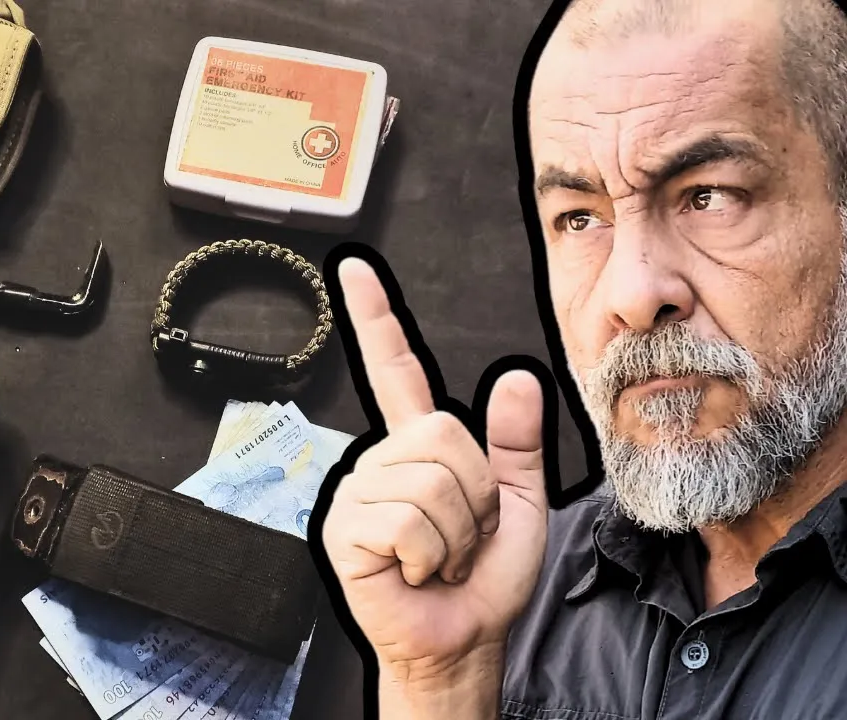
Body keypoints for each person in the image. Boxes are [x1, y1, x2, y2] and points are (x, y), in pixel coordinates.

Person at [319, 0, 847, 717]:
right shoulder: (500, 593)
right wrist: (439, 684)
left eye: (709, 197)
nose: (631, 295)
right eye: (579, 217)